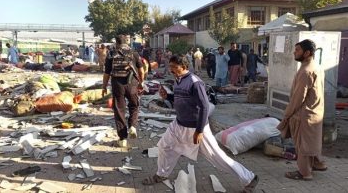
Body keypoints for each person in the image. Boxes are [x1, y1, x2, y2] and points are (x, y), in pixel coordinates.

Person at [141, 55, 258, 192]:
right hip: (178, 124)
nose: (171, 69)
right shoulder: (178, 80)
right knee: (164, 146)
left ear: (184, 67)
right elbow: (181, 99)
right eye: (170, 66)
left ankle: (249, 178)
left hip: (195, 127)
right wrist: (168, 97)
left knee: (217, 157)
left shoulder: (195, 82)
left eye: (174, 67)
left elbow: (204, 107)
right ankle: (161, 174)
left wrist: (199, 131)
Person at [277, 39, 327, 181]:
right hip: (316, 112)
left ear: (307, 53)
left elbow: (298, 98)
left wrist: (287, 115)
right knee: (312, 141)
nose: (294, 52)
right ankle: (319, 163)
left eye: (297, 50)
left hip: (304, 115)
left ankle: (305, 173)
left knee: (302, 145)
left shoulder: (306, 71)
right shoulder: (316, 66)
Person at [102, 35, 145, 148]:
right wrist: (141, 82)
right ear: (127, 42)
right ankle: (132, 126)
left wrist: (104, 87)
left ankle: (123, 139)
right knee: (134, 105)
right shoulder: (134, 53)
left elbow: (106, 73)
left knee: (119, 110)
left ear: (116, 43)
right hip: (132, 83)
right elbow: (141, 70)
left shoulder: (111, 54)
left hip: (117, 84)